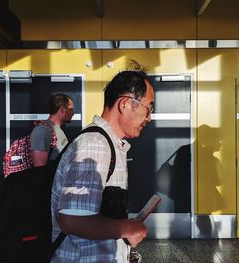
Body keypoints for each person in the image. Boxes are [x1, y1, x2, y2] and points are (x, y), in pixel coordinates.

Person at [51, 70, 154, 262]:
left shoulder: (109, 143)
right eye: (148, 108)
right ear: (125, 104)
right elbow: (71, 220)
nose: (149, 118)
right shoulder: (95, 144)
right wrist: (127, 228)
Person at [30, 93, 74, 167]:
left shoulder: (57, 130)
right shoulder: (42, 131)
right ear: (62, 110)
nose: (73, 113)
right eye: (71, 109)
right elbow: (39, 170)